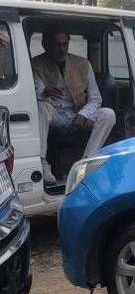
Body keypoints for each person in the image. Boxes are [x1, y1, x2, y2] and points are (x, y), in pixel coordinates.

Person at [33, 24, 116, 185]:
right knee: (41, 107)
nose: (61, 49)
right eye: (57, 44)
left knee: (108, 114)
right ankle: (42, 163)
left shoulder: (83, 64)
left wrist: (83, 114)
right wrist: (44, 92)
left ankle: (86, 164)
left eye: (65, 44)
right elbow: (34, 94)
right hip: (55, 115)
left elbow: (95, 98)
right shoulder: (36, 64)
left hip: (77, 113)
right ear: (46, 44)